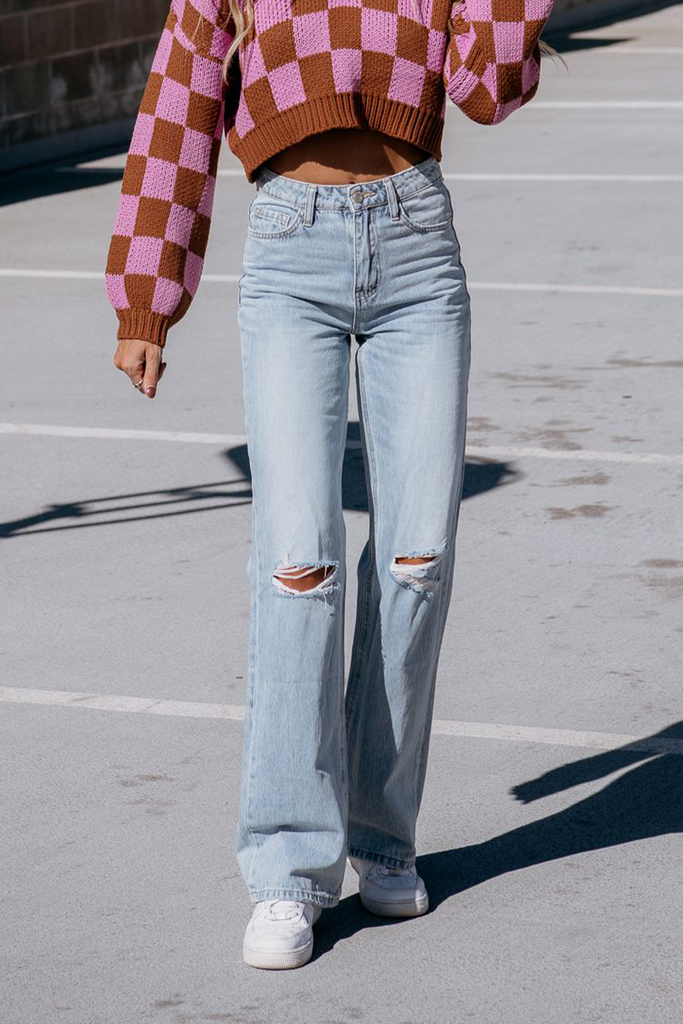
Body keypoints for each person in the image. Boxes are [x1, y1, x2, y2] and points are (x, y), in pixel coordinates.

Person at [106, 0, 555, 970]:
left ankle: (382, 838)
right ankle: (287, 866)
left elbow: (487, 87)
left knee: (417, 557)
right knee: (297, 563)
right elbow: (179, 105)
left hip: (416, 245)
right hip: (290, 249)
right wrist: (147, 299)